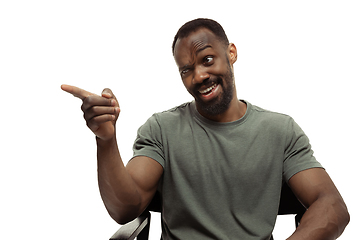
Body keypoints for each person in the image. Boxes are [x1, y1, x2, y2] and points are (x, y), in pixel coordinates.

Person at [61, 18, 349, 239]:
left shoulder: (280, 130)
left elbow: (332, 206)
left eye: (207, 60)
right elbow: (125, 208)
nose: (199, 75)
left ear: (231, 53)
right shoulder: (162, 128)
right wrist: (106, 140)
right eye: (186, 69)